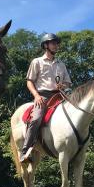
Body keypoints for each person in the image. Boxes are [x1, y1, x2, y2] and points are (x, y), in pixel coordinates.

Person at [20, 33, 72, 162]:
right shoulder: (37, 62)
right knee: (36, 118)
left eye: (56, 43)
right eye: (53, 43)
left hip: (59, 95)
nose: (56, 45)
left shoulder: (61, 64)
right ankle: (25, 150)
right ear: (45, 45)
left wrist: (63, 85)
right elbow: (29, 81)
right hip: (42, 95)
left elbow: (68, 83)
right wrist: (36, 96)